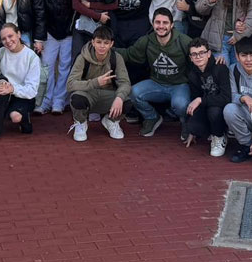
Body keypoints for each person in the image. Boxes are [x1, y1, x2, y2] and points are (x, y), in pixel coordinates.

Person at [118, 8, 194, 137]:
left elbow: (198, 58)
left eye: (165, 23)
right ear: (153, 24)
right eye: (158, 22)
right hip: (157, 84)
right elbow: (129, 54)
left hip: (179, 85)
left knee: (180, 104)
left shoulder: (184, 41)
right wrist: (107, 50)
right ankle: (152, 117)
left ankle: (186, 124)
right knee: (134, 92)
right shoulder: (147, 41)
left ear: (172, 25)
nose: (161, 26)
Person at [65, 26, 130, 141]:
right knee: (76, 98)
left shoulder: (116, 58)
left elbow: (125, 82)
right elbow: (70, 84)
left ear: (111, 44)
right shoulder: (82, 58)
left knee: (128, 100)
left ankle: (111, 121)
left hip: (108, 95)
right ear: (93, 42)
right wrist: (96, 82)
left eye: (106, 43)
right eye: (99, 42)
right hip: (88, 94)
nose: (102, 46)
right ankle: (81, 123)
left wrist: (119, 97)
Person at [36, 0, 76, 115]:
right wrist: (40, 37)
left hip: (67, 33)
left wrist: (70, 29)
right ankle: (45, 101)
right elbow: (40, 14)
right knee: (47, 66)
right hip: (50, 33)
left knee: (65, 67)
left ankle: (59, 101)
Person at [185, 38, 232, 157]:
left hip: (221, 108)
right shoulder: (192, 74)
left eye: (202, 53)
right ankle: (211, 131)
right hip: (207, 106)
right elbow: (195, 99)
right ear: (190, 57)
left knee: (214, 111)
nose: (198, 57)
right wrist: (192, 129)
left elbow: (227, 97)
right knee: (193, 127)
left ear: (209, 53)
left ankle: (220, 136)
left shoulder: (220, 67)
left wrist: (201, 100)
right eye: (194, 54)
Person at [0, 24, 41, 135]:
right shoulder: (0, 53)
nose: (8, 41)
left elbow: (32, 89)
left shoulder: (31, 57)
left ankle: (24, 119)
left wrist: (12, 89)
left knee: (15, 117)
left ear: (19, 34)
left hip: (23, 96)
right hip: (4, 93)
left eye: (11, 36)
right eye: (4, 39)